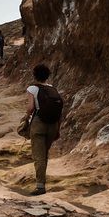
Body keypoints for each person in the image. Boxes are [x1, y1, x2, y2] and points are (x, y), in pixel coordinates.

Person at [24, 63, 64, 195]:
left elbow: (30, 108)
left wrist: (26, 117)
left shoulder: (32, 89)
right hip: (53, 124)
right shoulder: (53, 89)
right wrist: (58, 129)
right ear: (47, 76)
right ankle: (42, 181)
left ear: (34, 75)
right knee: (44, 154)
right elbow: (59, 111)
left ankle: (40, 186)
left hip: (39, 123)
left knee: (38, 156)